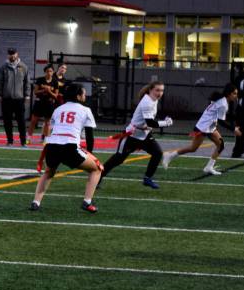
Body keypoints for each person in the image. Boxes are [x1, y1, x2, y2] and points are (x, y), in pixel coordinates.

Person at [29, 83, 102, 213]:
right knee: (97, 169)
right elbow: (90, 137)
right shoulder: (86, 110)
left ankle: (36, 202)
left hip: (52, 145)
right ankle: (87, 202)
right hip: (70, 147)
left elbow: (51, 129)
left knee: (48, 172)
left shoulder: (58, 109)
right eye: (83, 93)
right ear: (78, 96)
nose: (85, 95)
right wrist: (90, 154)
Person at [100, 81, 173, 190]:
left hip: (144, 134)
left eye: (162, 90)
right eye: (157, 90)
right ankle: (97, 177)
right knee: (118, 159)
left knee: (157, 153)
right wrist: (166, 123)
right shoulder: (147, 102)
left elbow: (148, 122)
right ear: (150, 90)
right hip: (131, 135)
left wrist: (147, 126)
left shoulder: (153, 99)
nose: (160, 93)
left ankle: (147, 178)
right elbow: (151, 123)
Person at [163, 83, 239, 176]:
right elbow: (221, 121)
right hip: (203, 127)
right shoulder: (223, 103)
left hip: (210, 127)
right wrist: (233, 129)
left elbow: (213, 113)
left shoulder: (220, 100)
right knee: (193, 148)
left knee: (221, 145)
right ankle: (169, 155)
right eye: (234, 93)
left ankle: (209, 167)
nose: (236, 96)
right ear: (229, 93)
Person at [0, 47, 30, 146]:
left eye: (13, 53)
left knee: (21, 122)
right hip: (6, 99)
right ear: (8, 55)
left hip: (19, 99)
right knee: (7, 121)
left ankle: (23, 141)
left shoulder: (24, 67)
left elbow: (27, 82)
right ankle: (10, 141)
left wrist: (27, 95)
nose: (12, 55)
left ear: (17, 54)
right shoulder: (3, 68)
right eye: (10, 54)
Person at [27, 64, 59, 144]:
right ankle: (28, 138)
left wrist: (49, 91)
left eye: (51, 71)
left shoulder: (55, 81)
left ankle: (45, 139)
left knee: (47, 122)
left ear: (53, 72)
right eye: (47, 71)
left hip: (49, 103)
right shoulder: (40, 80)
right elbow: (35, 92)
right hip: (39, 102)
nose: (49, 73)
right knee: (33, 121)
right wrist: (44, 90)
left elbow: (56, 96)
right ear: (45, 72)